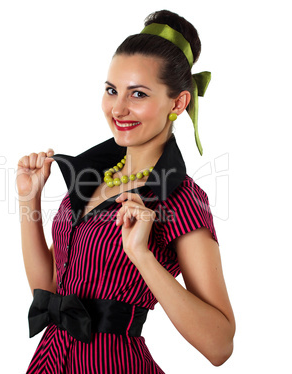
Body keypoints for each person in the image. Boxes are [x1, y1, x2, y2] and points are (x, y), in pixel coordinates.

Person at [17, 9, 235, 374]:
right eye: (112, 90)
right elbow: (49, 292)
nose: (118, 108)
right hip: (49, 361)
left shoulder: (180, 199)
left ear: (178, 103)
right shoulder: (90, 178)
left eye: (138, 94)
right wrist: (29, 202)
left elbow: (219, 346)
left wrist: (142, 255)